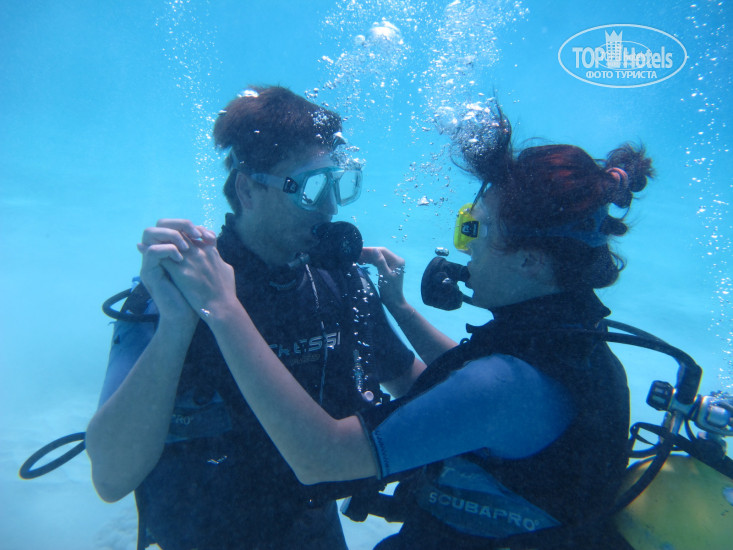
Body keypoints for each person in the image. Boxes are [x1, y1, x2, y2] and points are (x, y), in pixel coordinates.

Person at [133, 103, 654, 549]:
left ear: (530, 262)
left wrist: (222, 307)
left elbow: (322, 457)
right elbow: (456, 381)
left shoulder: (506, 384)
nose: (465, 247)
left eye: (475, 229)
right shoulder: (568, 345)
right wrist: (400, 310)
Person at [85, 85, 425, 550]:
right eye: (311, 186)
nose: (330, 207)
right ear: (247, 188)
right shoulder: (176, 290)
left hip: (312, 533)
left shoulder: (339, 283)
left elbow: (416, 388)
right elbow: (110, 479)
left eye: (338, 184)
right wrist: (177, 327)